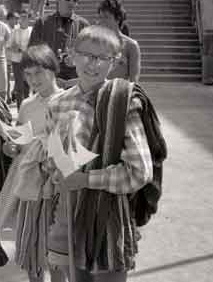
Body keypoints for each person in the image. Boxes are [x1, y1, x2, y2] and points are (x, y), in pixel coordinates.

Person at [44, 25, 158, 282]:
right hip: (67, 215)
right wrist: (56, 172)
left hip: (107, 220)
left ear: (115, 62)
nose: (92, 64)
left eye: (102, 58)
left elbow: (140, 171)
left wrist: (85, 180)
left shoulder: (122, 102)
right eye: (85, 54)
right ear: (72, 55)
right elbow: (52, 162)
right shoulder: (57, 104)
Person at [0, 44, 65, 282]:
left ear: (52, 69)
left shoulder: (68, 101)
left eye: (38, 72)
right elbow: (20, 144)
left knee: (56, 254)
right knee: (28, 249)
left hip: (58, 188)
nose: (33, 79)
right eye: (27, 74)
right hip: (29, 188)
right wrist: (12, 147)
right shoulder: (26, 105)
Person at [29, 0, 89, 87]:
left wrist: (77, 59)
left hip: (74, 87)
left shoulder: (84, 26)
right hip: (48, 86)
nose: (72, 3)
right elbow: (31, 56)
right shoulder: (42, 23)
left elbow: (90, 58)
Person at [97, 0, 140, 82]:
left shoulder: (131, 46)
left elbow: (134, 82)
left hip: (119, 93)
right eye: (100, 17)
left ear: (118, 19)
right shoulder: (96, 43)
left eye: (106, 17)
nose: (102, 21)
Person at [8, 9, 33, 108]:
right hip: (17, 61)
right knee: (19, 86)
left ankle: (27, 107)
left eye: (25, 17)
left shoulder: (32, 30)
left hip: (28, 61)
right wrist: (15, 47)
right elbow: (8, 45)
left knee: (27, 85)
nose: (22, 19)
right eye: (21, 17)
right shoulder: (14, 31)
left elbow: (35, 45)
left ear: (29, 19)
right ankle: (19, 108)